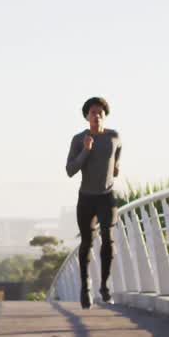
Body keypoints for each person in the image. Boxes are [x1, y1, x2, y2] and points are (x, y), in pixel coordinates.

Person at [65, 96, 121, 308]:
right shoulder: (79, 139)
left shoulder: (114, 137)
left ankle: (104, 287)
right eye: (92, 113)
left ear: (105, 116)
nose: (96, 116)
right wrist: (86, 151)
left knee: (108, 239)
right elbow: (70, 170)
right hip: (86, 198)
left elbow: (118, 156)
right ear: (86, 117)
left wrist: (116, 166)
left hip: (106, 197)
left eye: (100, 113)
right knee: (87, 242)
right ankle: (85, 288)